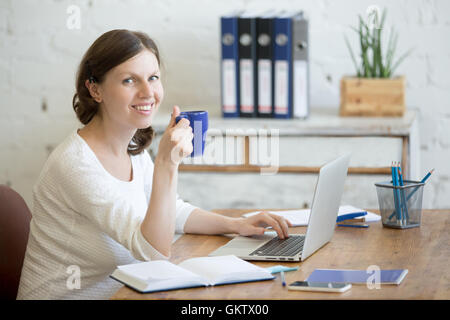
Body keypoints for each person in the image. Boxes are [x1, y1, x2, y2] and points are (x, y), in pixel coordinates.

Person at [17, 29, 291, 300]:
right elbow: (153, 251)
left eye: (153, 78)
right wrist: (166, 163)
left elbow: (172, 212)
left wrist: (236, 225)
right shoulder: (75, 164)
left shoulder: (132, 148)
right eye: (129, 81)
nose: (148, 92)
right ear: (95, 89)